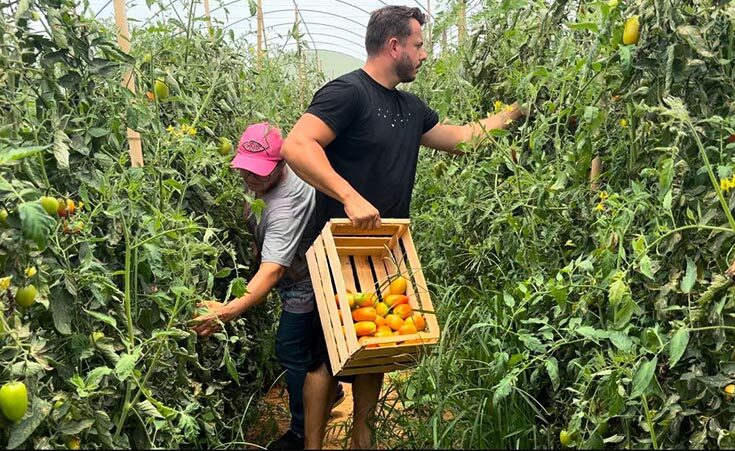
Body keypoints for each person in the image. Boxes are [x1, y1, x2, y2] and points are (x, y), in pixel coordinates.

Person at [280, 5, 525, 449]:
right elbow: (297, 144)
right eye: (418, 45)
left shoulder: (411, 108)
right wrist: (349, 196)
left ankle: (362, 441)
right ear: (394, 46)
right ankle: (312, 445)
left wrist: (512, 114)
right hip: (336, 250)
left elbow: (460, 139)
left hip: (384, 249)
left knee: (376, 348)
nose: (424, 54)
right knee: (323, 356)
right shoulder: (347, 93)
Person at [191, 122, 344, 450]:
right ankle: (329, 388)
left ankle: (303, 428)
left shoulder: (287, 206)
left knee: (290, 348)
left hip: (306, 279)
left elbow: (272, 272)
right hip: (295, 271)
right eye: (244, 170)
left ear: (282, 164)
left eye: (259, 174)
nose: (250, 179)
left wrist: (226, 310)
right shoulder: (262, 180)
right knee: (303, 348)